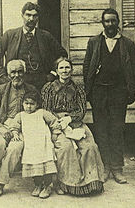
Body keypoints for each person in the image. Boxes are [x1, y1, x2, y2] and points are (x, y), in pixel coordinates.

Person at [83, 8, 135, 184]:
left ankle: (117, 169)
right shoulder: (94, 42)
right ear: (103, 23)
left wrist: (129, 91)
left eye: (113, 21)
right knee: (101, 129)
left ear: (118, 22)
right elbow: (87, 68)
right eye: (107, 21)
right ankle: (105, 167)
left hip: (118, 92)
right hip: (99, 92)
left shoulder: (127, 44)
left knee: (116, 129)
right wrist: (90, 91)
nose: (110, 24)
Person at [42, 57, 104, 196]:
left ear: (72, 70)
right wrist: (58, 122)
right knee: (65, 147)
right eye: (61, 68)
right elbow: (46, 109)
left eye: (67, 68)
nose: (65, 71)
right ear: (56, 71)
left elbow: (82, 110)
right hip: (56, 123)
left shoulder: (78, 88)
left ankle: (91, 182)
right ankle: (69, 183)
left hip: (75, 121)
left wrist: (70, 118)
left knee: (89, 146)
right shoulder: (48, 88)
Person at [0, 59, 38, 200]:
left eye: (20, 72)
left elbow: (37, 112)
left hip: (24, 128)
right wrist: (1, 129)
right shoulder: (1, 90)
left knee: (15, 148)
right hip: (4, 126)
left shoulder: (32, 90)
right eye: (13, 72)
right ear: (8, 74)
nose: (17, 75)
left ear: (24, 73)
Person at [0, 2, 67, 90]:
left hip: (41, 84)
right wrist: (2, 75)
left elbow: (62, 54)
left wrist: (53, 73)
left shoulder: (46, 36)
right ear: (22, 15)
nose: (31, 19)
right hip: (16, 83)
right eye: (28, 15)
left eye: (35, 16)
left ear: (38, 18)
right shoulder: (10, 35)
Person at [5, 91, 61, 199]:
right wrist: (15, 133)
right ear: (23, 104)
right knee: (35, 166)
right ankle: (38, 185)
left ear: (37, 104)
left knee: (46, 165)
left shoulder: (42, 113)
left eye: (32, 104)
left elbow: (54, 121)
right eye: (26, 104)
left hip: (43, 144)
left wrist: (55, 133)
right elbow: (14, 126)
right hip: (31, 146)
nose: (29, 107)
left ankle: (47, 186)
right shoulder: (20, 115)